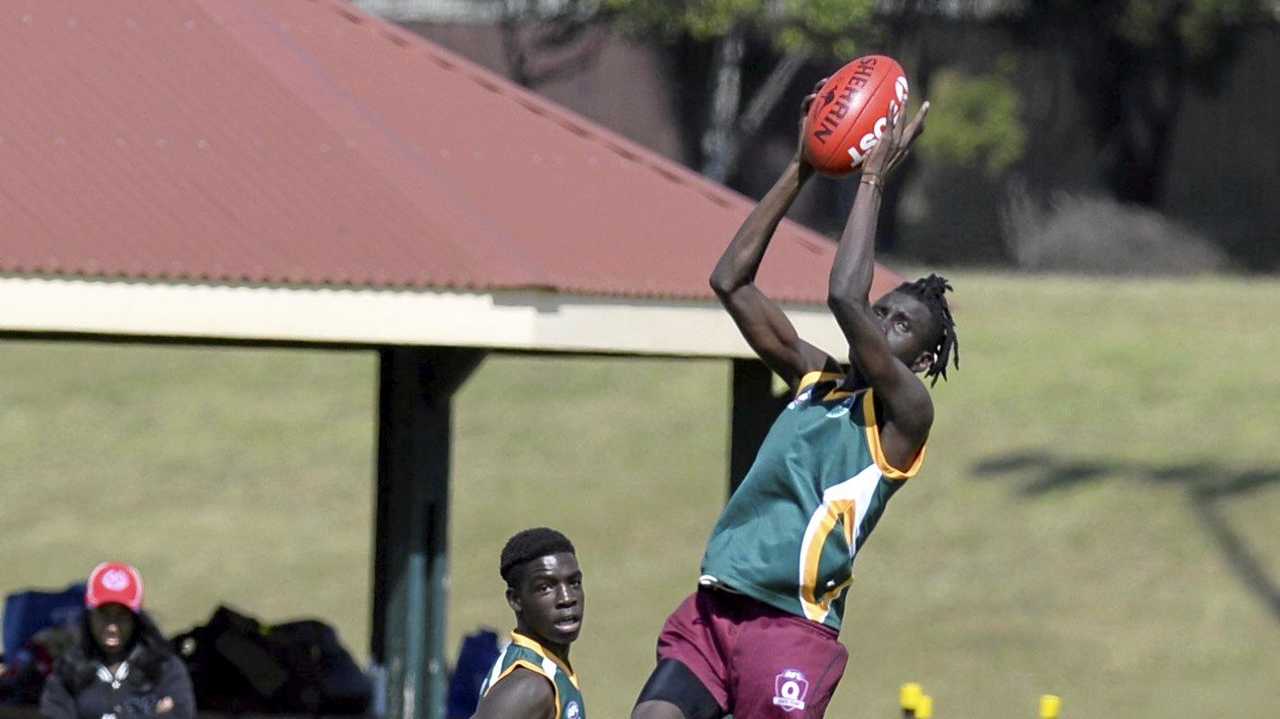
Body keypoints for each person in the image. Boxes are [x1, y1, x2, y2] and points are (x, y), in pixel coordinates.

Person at [632, 92, 957, 719]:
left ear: (918, 361)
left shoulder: (906, 417)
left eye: (900, 325)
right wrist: (803, 166)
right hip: (714, 611)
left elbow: (843, 295)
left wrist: (870, 179)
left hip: (789, 630)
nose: (881, 321)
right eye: (883, 309)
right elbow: (731, 280)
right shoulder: (817, 379)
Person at [40, 562, 195, 719]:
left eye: (122, 615)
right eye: (103, 614)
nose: (112, 627)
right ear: (89, 617)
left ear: (136, 619)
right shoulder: (66, 672)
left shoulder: (166, 669)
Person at [474, 528, 586, 719]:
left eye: (574, 583)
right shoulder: (530, 687)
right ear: (516, 599)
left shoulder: (548, 670)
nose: (567, 598)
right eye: (545, 588)